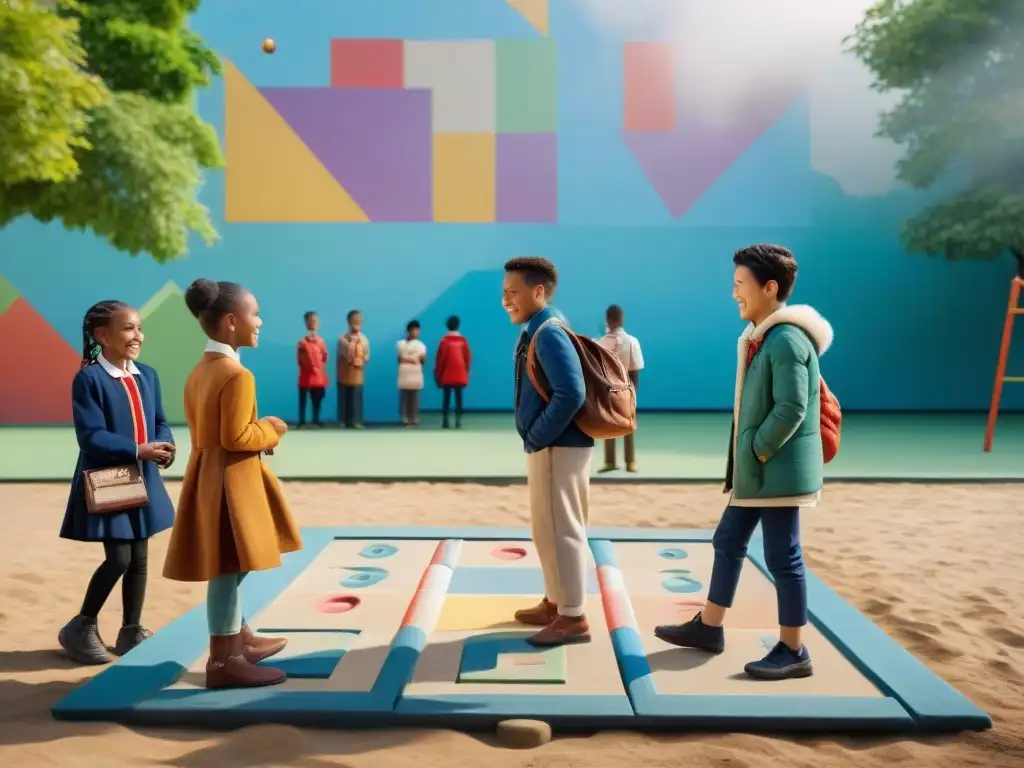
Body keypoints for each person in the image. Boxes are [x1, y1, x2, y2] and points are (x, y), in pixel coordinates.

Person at [653, 244, 833, 681]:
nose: (734, 293)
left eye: (740, 284)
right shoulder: (765, 336)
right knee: (728, 539)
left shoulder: (786, 339)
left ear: (770, 288)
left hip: (775, 471)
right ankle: (710, 627)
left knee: (782, 556)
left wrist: (757, 448)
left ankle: (794, 649)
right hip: (760, 473)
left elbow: (790, 407)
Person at [162, 278, 303, 690]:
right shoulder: (236, 375)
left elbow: (218, 432)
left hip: (209, 477)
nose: (259, 321)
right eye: (253, 314)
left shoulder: (201, 371)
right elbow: (237, 437)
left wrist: (256, 433)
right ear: (230, 321)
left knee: (232, 563)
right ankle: (224, 660)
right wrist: (271, 429)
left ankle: (238, 637)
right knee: (229, 567)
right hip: (231, 484)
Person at [58, 301, 177, 665]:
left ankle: (131, 630)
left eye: (139, 327)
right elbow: (91, 436)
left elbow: (160, 421)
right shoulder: (90, 379)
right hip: (111, 479)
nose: (137, 335)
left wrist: (165, 445)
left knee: (140, 557)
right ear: (102, 336)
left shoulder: (148, 376)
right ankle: (81, 626)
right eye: (127, 328)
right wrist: (137, 449)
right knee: (119, 558)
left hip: (144, 477)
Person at [503, 256, 594, 647]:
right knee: (546, 530)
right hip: (548, 446)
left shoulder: (550, 332)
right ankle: (557, 601)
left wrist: (539, 434)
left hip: (559, 446)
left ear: (538, 291)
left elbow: (571, 392)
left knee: (564, 531)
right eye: (504, 294)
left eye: (513, 293)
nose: (506, 300)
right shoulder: (537, 328)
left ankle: (573, 617)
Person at [597, 304, 644, 472]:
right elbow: (635, 369)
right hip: (627, 389)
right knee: (628, 425)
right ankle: (630, 462)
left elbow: (598, 371)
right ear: (621, 320)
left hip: (609, 390)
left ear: (608, 321)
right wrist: (633, 394)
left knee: (609, 425)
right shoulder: (632, 341)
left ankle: (610, 462)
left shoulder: (602, 343)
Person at [434, 315, 471, 429]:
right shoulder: (463, 341)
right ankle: (458, 421)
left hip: (447, 374)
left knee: (446, 398)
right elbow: (467, 358)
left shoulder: (444, 341)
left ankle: (445, 420)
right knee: (459, 398)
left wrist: (438, 375)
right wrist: (465, 372)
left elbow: (440, 360)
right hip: (460, 374)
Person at [337, 310, 370, 428]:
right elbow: (347, 354)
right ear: (349, 321)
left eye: (359, 319)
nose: (357, 321)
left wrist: (363, 359)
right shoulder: (343, 338)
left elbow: (366, 356)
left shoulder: (364, 339)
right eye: (354, 319)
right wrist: (354, 343)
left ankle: (357, 421)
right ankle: (343, 421)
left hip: (358, 374)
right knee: (344, 398)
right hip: (344, 374)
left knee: (357, 399)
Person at [297, 311, 328, 427]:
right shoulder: (302, 342)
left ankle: (316, 419)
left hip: (318, 376)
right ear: (306, 323)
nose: (313, 323)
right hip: (305, 376)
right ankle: (302, 420)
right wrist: (310, 367)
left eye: (315, 321)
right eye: (310, 321)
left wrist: (318, 369)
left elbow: (324, 356)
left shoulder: (321, 341)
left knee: (317, 399)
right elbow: (300, 359)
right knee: (303, 399)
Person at [396, 320, 427, 426]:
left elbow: (422, 359)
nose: (417, 332)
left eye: (418, 330)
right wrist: (413, 358)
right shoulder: (400, 344)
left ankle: (414, 417)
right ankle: (405, 418)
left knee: (415, 398)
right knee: (404, 397)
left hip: (416, 375)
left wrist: (409, 358)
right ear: (409, 331)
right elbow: (400, 358)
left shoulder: (422, 345)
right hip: (404, 374)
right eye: (414, 330)